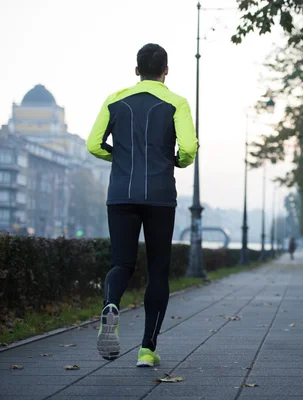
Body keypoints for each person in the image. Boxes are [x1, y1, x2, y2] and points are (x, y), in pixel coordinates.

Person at [86, 43, 198, 367]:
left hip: (121, 192)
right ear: (166, 71)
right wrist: (179, 160)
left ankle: (110, 305)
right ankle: (147, 350)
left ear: (136, 71)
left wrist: (117, 156)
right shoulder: (176, 102)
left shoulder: (114, 100)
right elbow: (189, 147)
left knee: (121, 263)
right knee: (158, 269)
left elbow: (93, 144)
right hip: (160, 195)